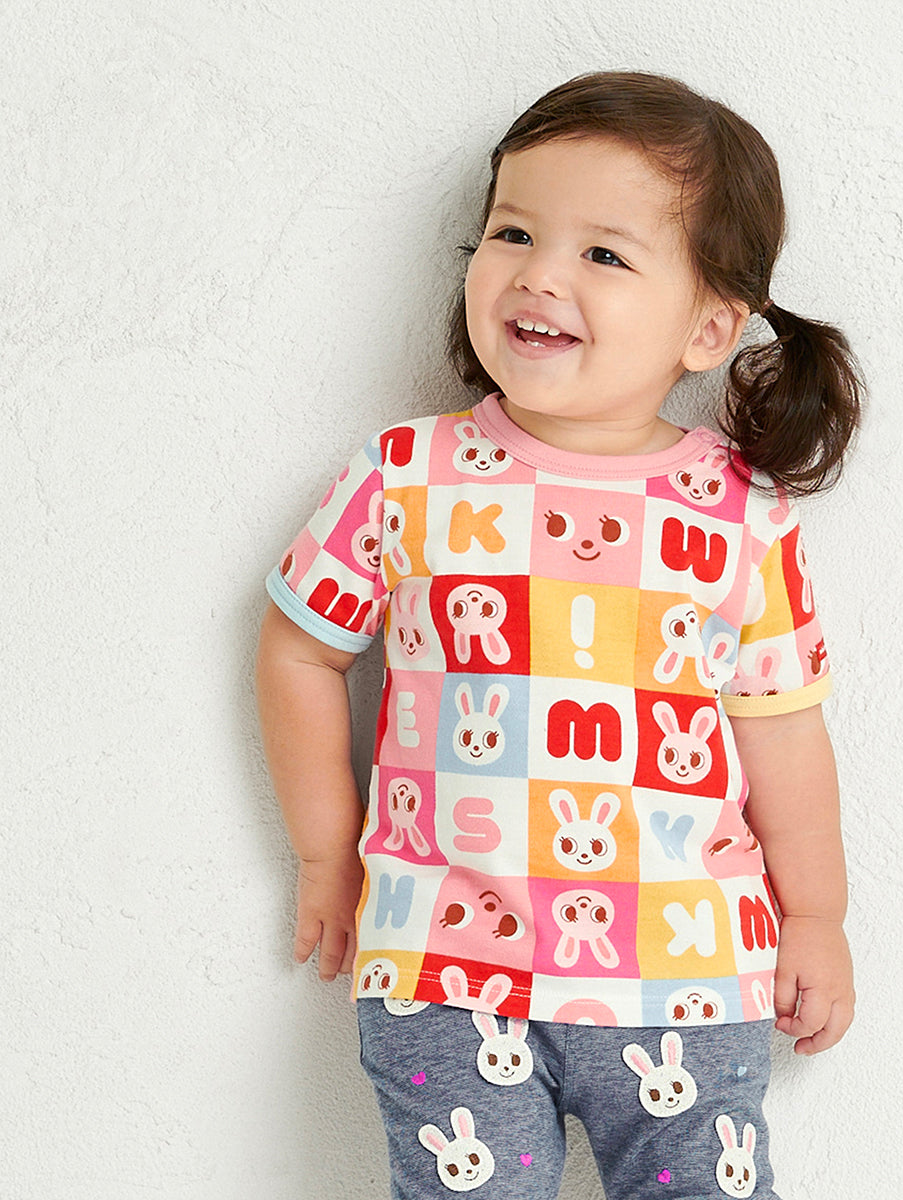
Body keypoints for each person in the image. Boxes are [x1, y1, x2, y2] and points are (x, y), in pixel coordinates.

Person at [256, 70, 863, 1200]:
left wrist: (817, 915)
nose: (539, 273)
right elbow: (300, 649)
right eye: (514, 232)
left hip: (687, 972)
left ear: (709, 326)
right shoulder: (407, 476)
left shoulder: (741, 517)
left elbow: (784, 730)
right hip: (445, 970)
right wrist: (328, 853)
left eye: (604, 254)